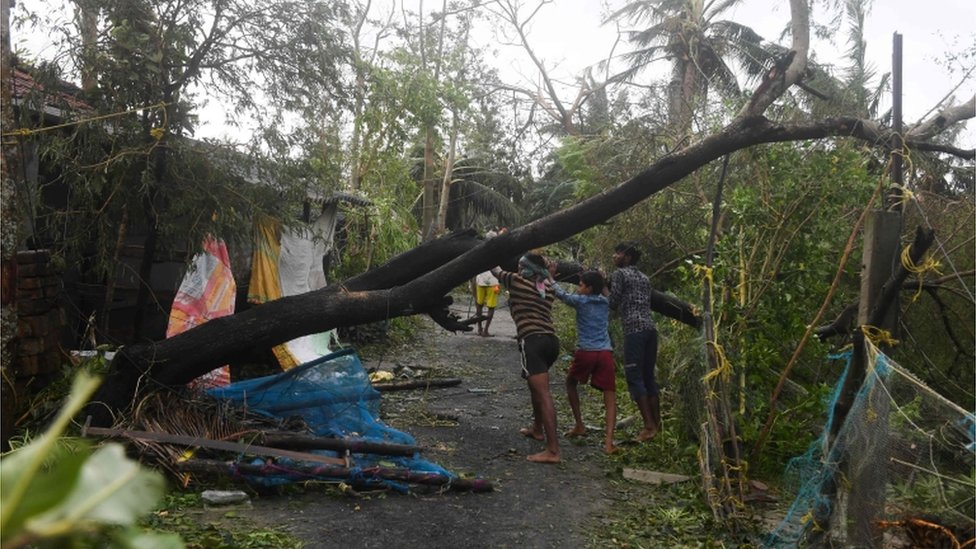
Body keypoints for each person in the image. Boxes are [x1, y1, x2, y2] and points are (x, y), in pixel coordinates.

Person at [491, 253, 561, 464]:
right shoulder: (547, 288)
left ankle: (553, 451)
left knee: (543, 393)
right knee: (536, 389)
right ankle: (537, 429)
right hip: (550, 342)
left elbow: (494, 269)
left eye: (520, 265)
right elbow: (548, 280)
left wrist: (490, 246)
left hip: (532, 341)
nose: (518, 268)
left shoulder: (517, 281)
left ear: (526, 268)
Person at [550, 268, 618, 454]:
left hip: (586, 351)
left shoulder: (580, 301)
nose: (578, 288)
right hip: (605, 352)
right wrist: (602, 282)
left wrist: (548, 276)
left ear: (588, 288)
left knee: (571, 383)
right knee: (610, 394)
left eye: (581, 285)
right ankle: (609, 441)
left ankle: (580, 424)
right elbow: (608, 294)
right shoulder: (606, 302)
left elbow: (561, 294)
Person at [608, 241, 660, 442]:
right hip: (650, 330)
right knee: (649, 377)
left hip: (634, 331)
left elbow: (613, 303)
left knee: (634, 377)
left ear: (627, 257)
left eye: (618, 253)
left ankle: (648, 427)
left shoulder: (620, 275)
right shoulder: (645, 278)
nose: (615, 256)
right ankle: (657, 426)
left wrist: (604, 288)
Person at [473, 230, 501, 336]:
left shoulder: (479, 249)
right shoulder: (499, 250)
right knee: (491, 306)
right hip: (493, 281)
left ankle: (480, 329)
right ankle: (485, 330)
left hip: (480, 280)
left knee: (479, 305)